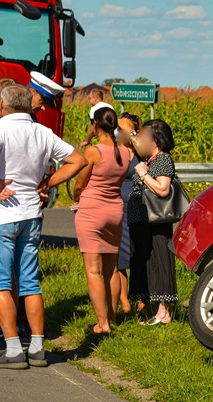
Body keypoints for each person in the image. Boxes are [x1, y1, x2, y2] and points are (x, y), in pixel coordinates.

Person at [0, 84, 88, 369]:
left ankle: (13, 348)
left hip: (2, 215)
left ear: (3, 105)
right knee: (30, 283)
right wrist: (47, 183)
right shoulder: (42, 132)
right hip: (32, 214)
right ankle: (37, 346)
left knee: (0, 283)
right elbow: (79, 160)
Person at [74, 107, 131, 335]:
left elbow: (79, 184)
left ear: (96, 125)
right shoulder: (125, 152)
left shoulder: (93, 152)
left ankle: (102, 324)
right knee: (112, 269)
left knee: (93, 271)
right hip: (115, 211)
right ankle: (112, 317)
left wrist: (77, 197)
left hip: (91, 212)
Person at [127, 119, 178, 325]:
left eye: (145, 137)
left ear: (155, 140)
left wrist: (143, 174)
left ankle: (163, 313)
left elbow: (163, 189)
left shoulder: (163, 159)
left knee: (160, 263)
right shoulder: (150, 159)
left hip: (156, 222)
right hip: (143, 221)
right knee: (147, 263)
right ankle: (156, 309)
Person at [113, 112, 142, 315]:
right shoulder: (116, 150)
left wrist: (133, 138)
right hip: (118, 206)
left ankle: (141, 299)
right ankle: (124, 302)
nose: (120, 133)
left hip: (139, 205)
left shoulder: (142, 149)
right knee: (121, 257)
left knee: (139, 253)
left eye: (125, 129)